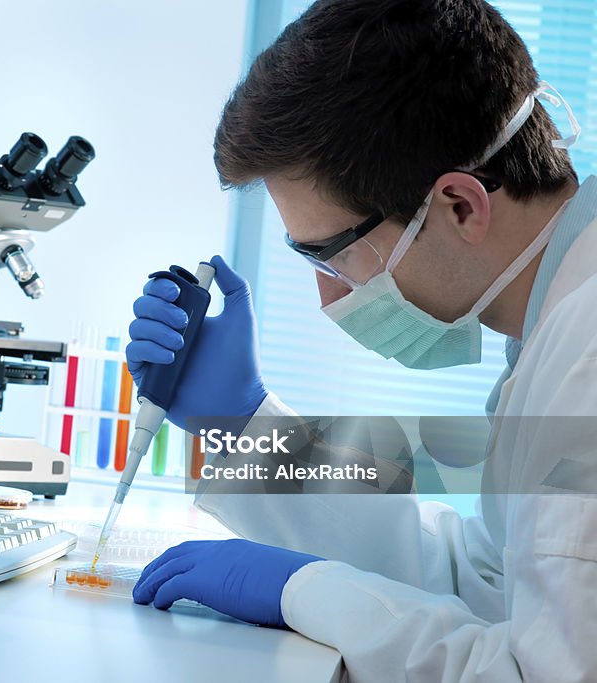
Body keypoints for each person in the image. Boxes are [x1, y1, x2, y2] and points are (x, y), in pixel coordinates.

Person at [126, 1, 597, 681]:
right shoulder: (555, 328)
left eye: (331, 254)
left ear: (462, 205)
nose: (327, 298)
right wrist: (245, 426)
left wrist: (302, 591)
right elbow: (488, 585)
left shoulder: (586, 355)